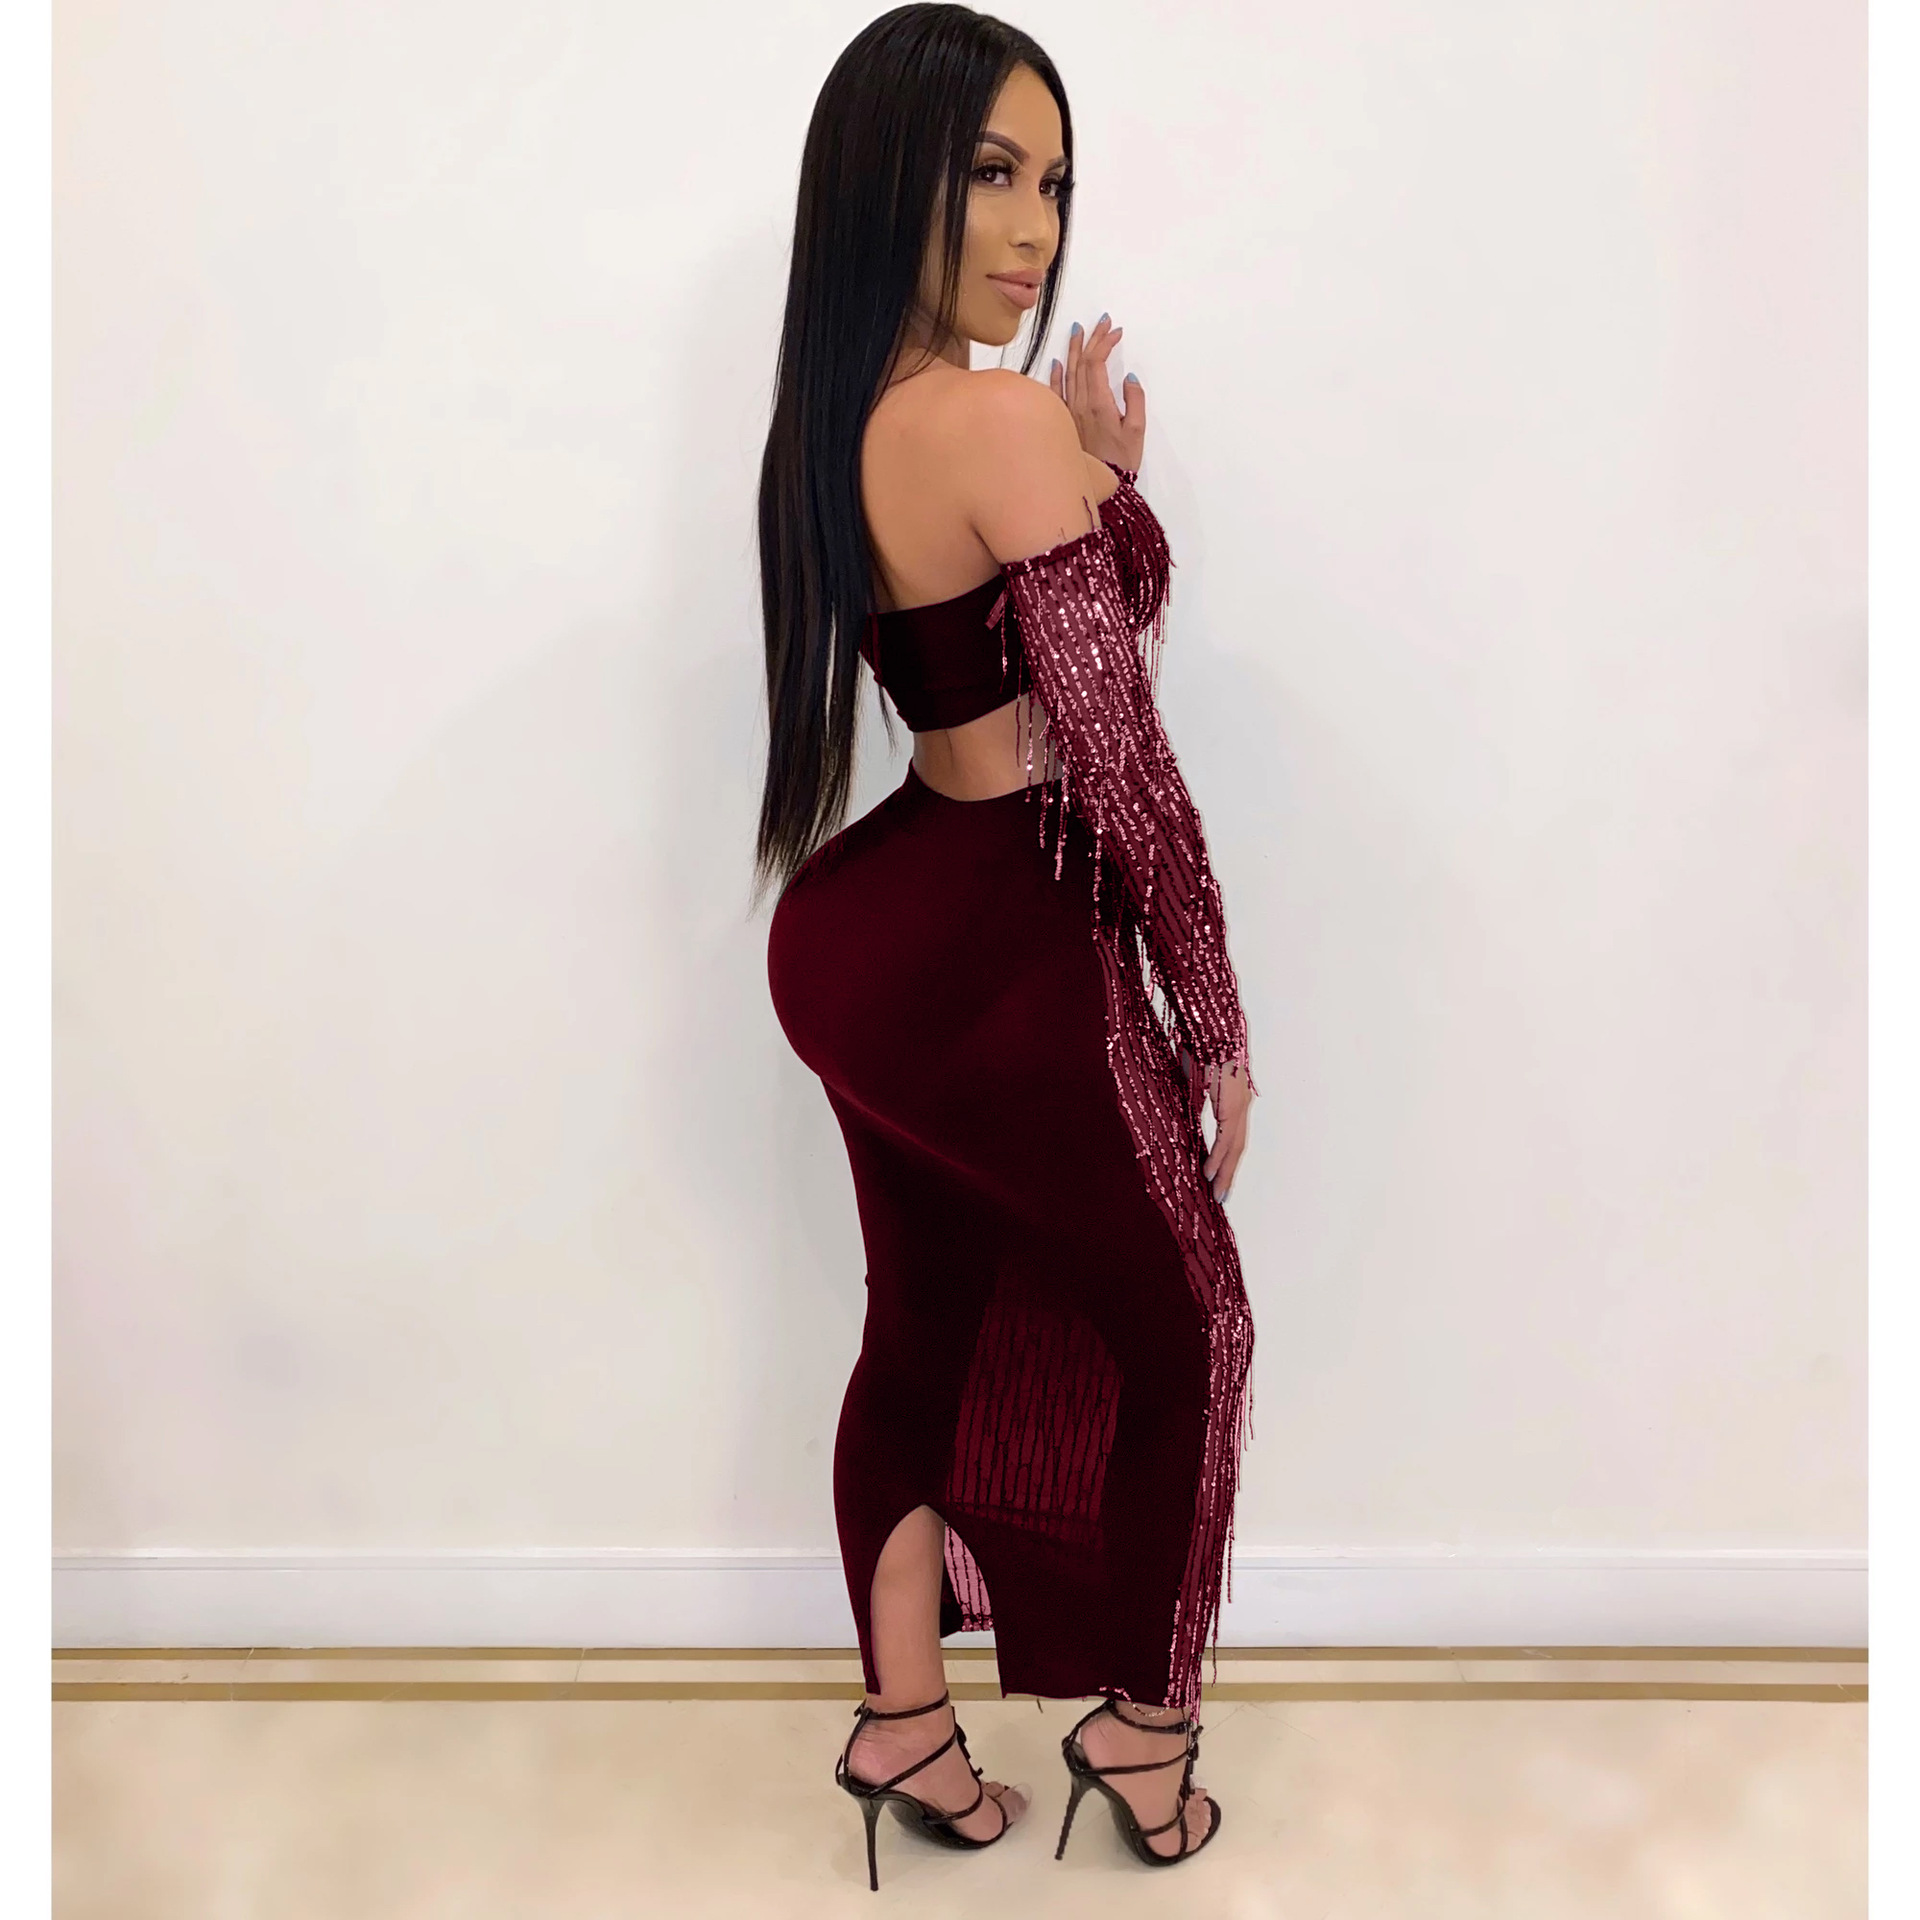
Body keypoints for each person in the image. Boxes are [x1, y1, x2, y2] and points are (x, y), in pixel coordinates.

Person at [756, 5, 1257, 1888]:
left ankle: (903, 1721)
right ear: (888, 171)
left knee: (919, 1324)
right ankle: (1144, 1729)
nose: (1035, 225)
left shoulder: (849, 418)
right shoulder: (987, 417)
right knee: (1193, 1323)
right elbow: (1114, 755)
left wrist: (1099, 478)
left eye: (1053, 180)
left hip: (867, 936)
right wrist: (1213, 1007)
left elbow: (1006, 679)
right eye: (989, 171)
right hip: (997, 943)